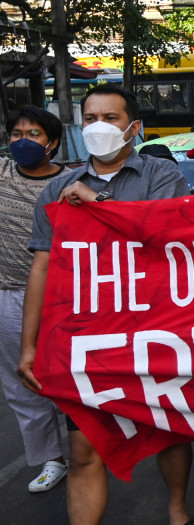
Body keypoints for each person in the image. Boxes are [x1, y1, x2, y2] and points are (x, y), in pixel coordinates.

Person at [18, 84, 194, 525]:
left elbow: (164, 240)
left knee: (168, 433)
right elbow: (42, 268)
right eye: (91, 118)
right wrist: (30, 346)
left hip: (154, 331)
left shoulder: (161, 176)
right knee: (83, 448)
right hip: (87, 337)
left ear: (133, 127)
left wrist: (96, 202)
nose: (99, 127)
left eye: (110, 118)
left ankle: (178, 512)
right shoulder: (58, 188)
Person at [1, 106, 69, 494]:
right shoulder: (1, 172)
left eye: (34, 134)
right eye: (16, 134)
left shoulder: (69, 183)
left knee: (71, 373)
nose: (23, 141)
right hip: (8, 294)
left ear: (53, 143)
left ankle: (89, 448)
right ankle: (50, 459)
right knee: (21, 382)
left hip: (61, 296)